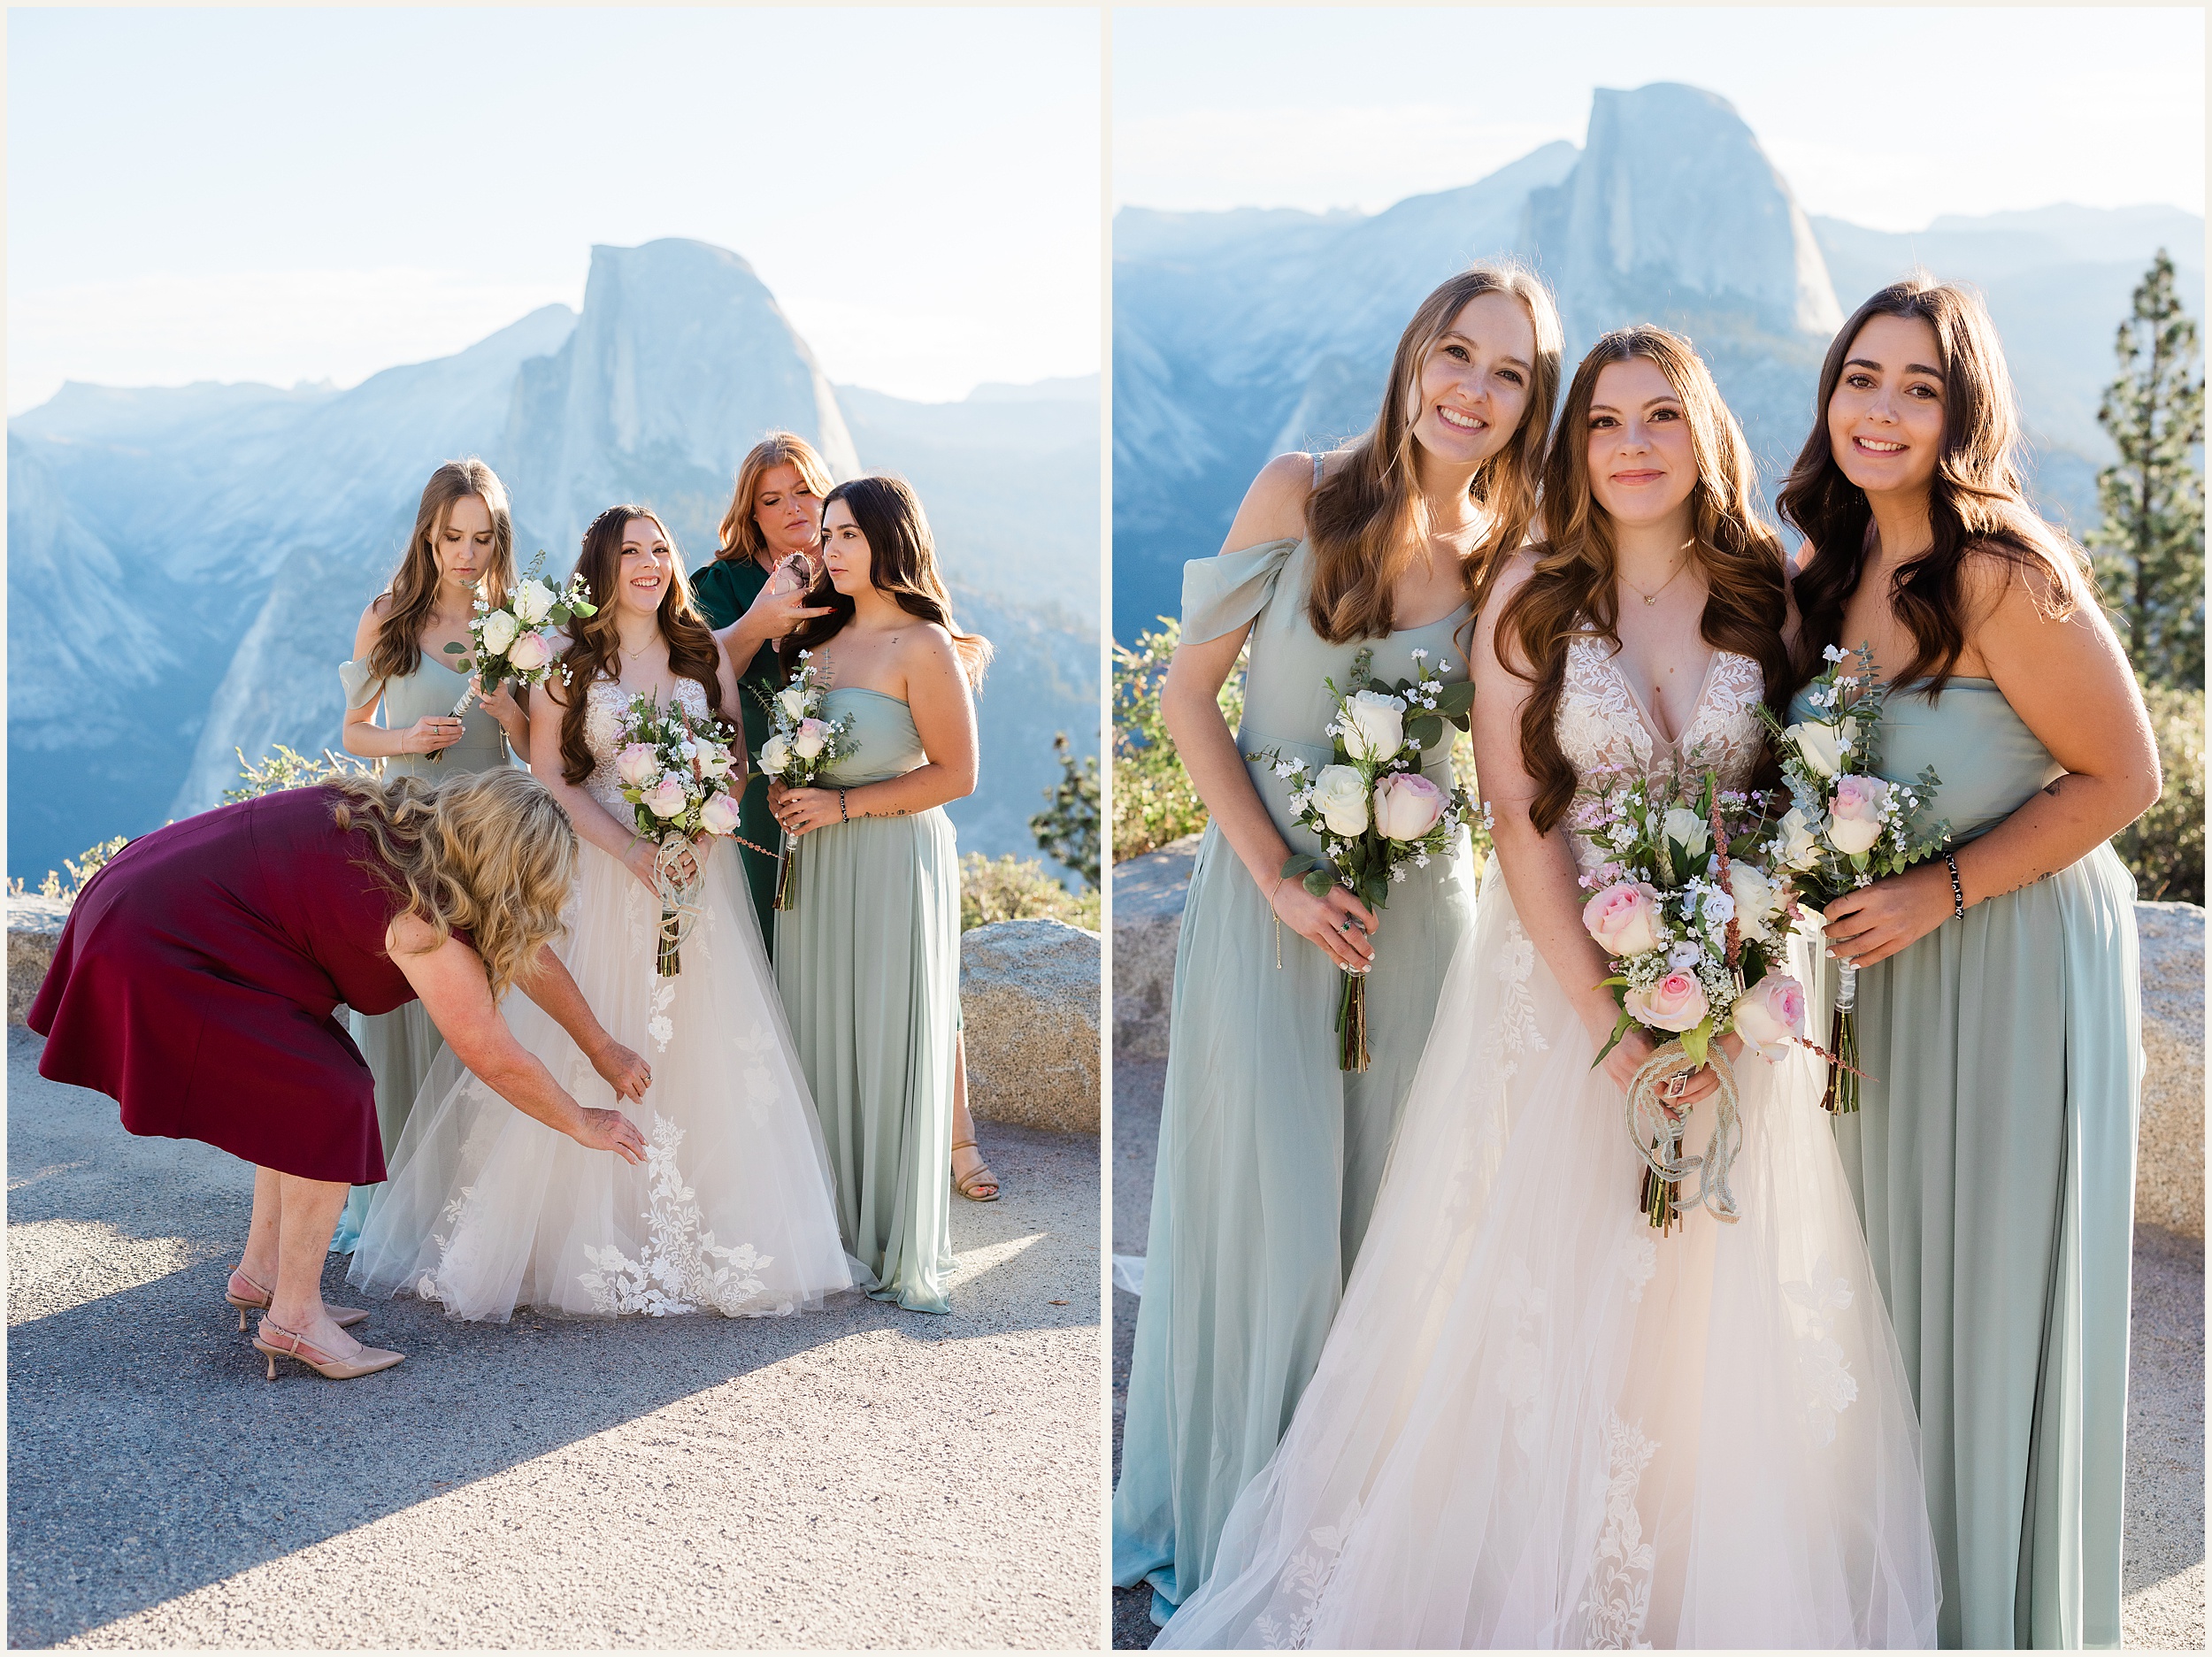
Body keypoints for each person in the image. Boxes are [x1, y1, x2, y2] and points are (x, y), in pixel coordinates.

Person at [1157, 326, 1941, 1650]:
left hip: (1732, 998)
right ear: (1573, 448)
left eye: (1661, 418)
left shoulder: (1770, 588)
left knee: (1700, 1291)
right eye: (1603, 421)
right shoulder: (1531, 588)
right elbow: (1522, 816)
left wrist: (1725, 984)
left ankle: (1680, 1564)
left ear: (1705, 437)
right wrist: (1612, 1027)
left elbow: (1781, 803)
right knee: (1538, 1280)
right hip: (1558, 997)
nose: (1634, 446)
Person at [1114, 263, 1563, 1624]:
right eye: (1458, 354)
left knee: (1389, 1218)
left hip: (1424, 925)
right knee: (1269, 1209)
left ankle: (1348, 1520)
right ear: (1414, 354)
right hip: (1267, 913)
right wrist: (1276, 878)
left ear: (1531, 405)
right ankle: (1230, 1500)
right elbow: (1192, 699)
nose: (1473, 392)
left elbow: (1512, 766)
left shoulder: (1510, 553)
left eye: (1509, 375)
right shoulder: (1299, 491)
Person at [1781, 277, 2157, 1650]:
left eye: (1919, 387)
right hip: (1887, 981)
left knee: (1989, 1304)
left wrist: (1938, 892)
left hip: (2010, 966)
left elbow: (2129, 774)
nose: (1882, 410)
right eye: (1861, 378)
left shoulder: (2003, 565)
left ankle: (1994, 1623)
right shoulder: (1824, 574)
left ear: (1963, 411)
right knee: (1885, 1305)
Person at [350, 506, 855, 1322]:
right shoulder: (567, 664)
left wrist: (703, 829)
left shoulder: (701, 655)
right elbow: (550, 773)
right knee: (592, 1030)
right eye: (632, 553)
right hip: (596, 871)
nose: (651, 564)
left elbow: (730, 758)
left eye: (661, 550)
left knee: (702, 1046)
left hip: (694, 880)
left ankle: (710, 1224)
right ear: (603, 568)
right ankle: (576, 1229)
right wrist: (631, 851)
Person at [27, 769, 651, 1379]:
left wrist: (598, 1045)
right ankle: (295, 1317)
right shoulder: (419, 915)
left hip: (140, 893)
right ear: (507, 874)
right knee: (331, 1096)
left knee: (306, 1077)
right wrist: (581, 1120)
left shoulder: (402, 823)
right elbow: (492, 1053)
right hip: (155, 938)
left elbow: (523, 948)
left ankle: (264, 1272)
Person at [769, 474, 991, 1313]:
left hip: (894, 860)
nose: (830, 547)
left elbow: (960, 775)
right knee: (819, 1029)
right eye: (826, 533)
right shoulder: (810, 644)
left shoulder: (923, 647)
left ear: (892, 540)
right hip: (818, 867)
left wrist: (843, 804)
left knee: (886, 1033)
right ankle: (824, 1225)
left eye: (848, 534)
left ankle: (890, 1229)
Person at [330, 458, 534, 1253]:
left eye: (483, 538)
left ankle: (469, 1200)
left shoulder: (509, 623)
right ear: (428, 532)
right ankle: (388, 1201)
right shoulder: (387, 618)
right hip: (403, 840)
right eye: (454, 536)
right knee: (403, 1015)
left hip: (489, 841)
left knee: (482, 1012)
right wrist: (405, 740)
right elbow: (353, 732)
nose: (468, 552)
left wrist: (509, 706)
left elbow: (527, 747)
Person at [690, 433, 838, 937]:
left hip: (852, 784)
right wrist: (756, 625)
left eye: (804, 491)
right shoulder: (723, 585)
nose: (793, 509)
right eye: (771, 501)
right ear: (752, 515)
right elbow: (696, 680)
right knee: (769, 931)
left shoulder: (858, 574)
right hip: (758, 791)